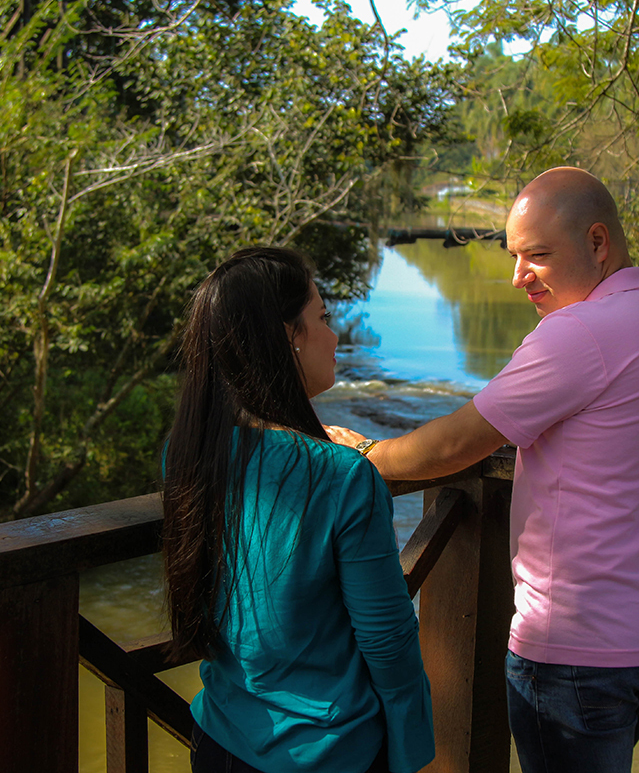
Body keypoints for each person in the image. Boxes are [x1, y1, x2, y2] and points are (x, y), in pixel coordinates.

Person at [328, 167, 639, 773]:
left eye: (538, 255)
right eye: (514, 256)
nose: (518, 276)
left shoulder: (579, 333)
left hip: (576, 647)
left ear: (598, 242)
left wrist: (369, 455)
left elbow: (458, 443)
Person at [161, 247, 435, 773]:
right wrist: (409, 748)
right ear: (290, 336)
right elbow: (388, 640)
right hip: (329, 753)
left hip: (220, 739)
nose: (335, 337)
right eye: (324, 319)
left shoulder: (189, 451)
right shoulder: (342, 476)